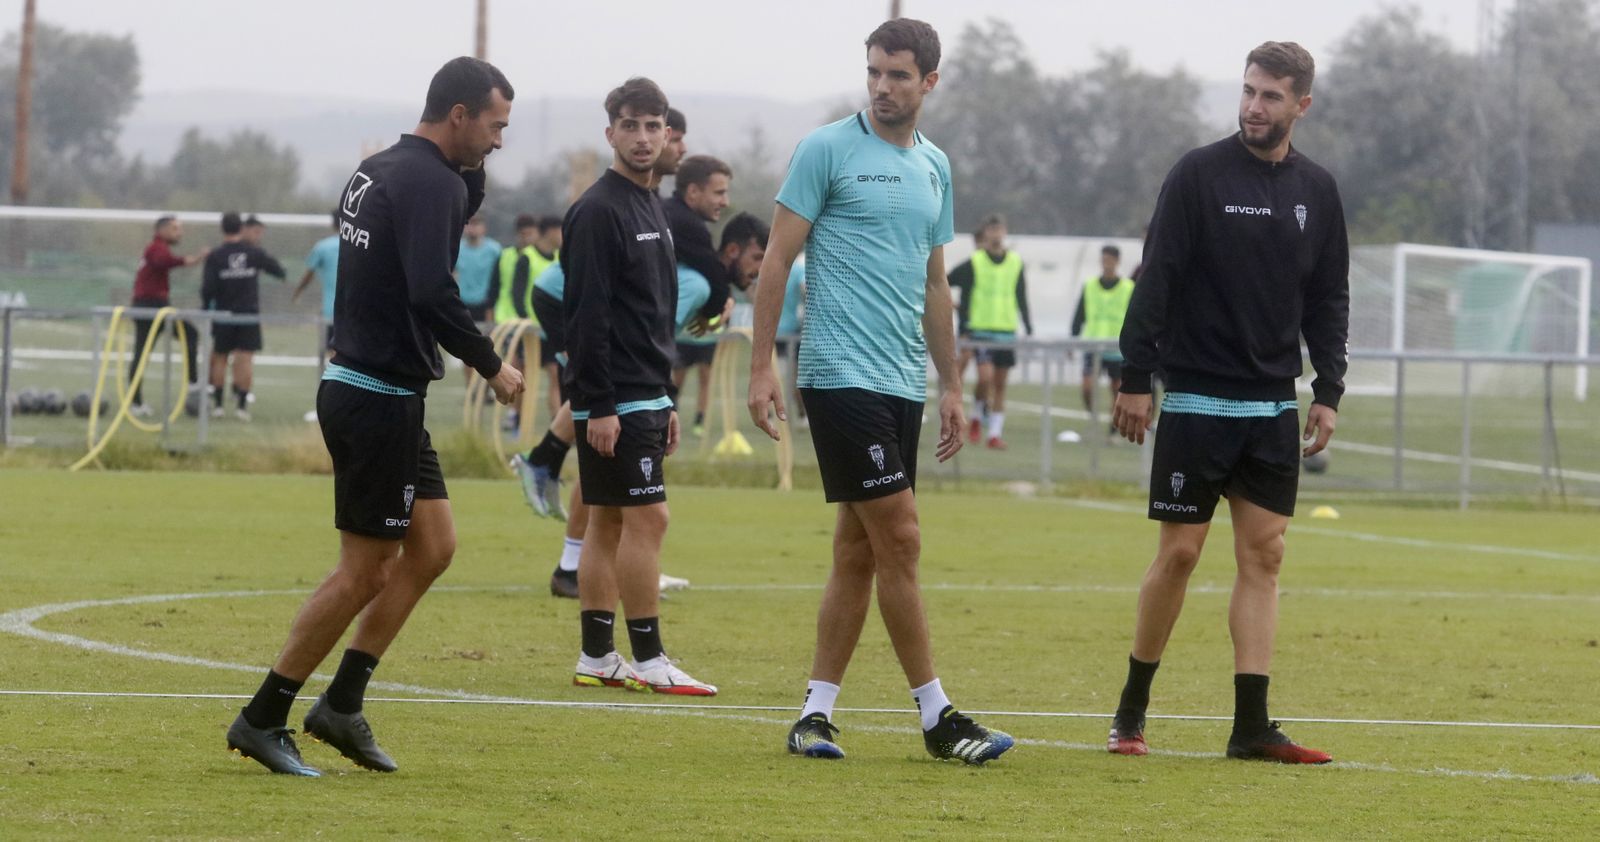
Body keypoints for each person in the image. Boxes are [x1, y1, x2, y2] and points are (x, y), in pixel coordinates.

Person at [225, 56, 524, 777]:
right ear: (458, 115)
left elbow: (450, 212)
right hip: (375, 396)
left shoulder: (385, 167)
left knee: (433, 547)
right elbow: (429, 290)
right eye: (494, 126)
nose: (500, 142)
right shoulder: (425, 181)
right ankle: (264, 716)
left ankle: (342, 705)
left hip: (383, 392)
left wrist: (470, 170)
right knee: (364, 571)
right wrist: (491, 363)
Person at [747, 19, 1013, 765]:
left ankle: (814, 715)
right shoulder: (826, 149)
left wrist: (953, 384)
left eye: (899, 75)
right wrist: (761, 366)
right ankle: (938, 716)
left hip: (903, 383)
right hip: (837, 376)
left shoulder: (935, 165)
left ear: (930, 82)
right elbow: (775, 261)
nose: (882, 87)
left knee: (858, 552)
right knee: (901, 535)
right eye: (874, 72)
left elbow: (935, 286)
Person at [1106, 41, 1348, 765]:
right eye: (1248, 91)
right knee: (1179, 554)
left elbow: (1329, 296)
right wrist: (1134, 376)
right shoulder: (1197, 174)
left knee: (1265, 557)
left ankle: (1251, 727)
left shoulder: (1319, 191)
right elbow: (1158, 278)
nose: (1253, 106)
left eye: (1271, 96)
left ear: (1301, 105)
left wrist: (1327, 389)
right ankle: (1130, 711)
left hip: (1271, 406)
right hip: (1198, 399)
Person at [561, 76, 716, 696]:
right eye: (632, 126)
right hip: (615, 400)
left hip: (647, 393)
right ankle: (651, 660)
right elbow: (587, 315)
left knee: (606, 524)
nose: (645, 138)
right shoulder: (597, 210)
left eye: (655, 127)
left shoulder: (652, 202)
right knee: (649, 520)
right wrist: (598, 405)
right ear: (611, 133)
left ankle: (598, 656)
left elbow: (653, 311)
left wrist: (668, 397)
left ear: (667, 134)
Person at [949, 214, 1031, 449]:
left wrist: (1028, 324)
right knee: (984, 378)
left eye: (999, 229)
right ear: (985, 234)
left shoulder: (1015, 261)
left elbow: (1021, 294)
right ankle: (976, 415)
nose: (996, 234)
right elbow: (944, 281)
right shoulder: (974, 262)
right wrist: (957, 309)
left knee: (1000, 385)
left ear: (1005, 232)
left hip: (1006, 331)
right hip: (980, 331)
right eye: (991, 230)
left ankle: (993, 434)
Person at [667, 154, 734, 436]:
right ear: (693, 192)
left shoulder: (667, 212)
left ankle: (545, 458)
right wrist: (716, 311)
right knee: (698, 284)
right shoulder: (687, 224)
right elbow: (715, 280)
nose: (725, 201)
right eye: (719, 192)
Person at [201, 211, 286, 421]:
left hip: (223, 314)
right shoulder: (253, 253)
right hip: (248, 313)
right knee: (246, 358)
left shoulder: (215, 255)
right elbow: (279, 271)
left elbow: (207, 289)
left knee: (220, 357)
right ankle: (241, 408)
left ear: (222, 229)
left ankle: (218, 407)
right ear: (241, 229)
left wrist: (206, 306)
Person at [128, 215, 206, 416]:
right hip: (148, 306)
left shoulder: (159, 248)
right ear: (161, 230)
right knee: (142, 352)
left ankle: (192, 383)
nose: (179, 232)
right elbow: (164, 261)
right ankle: (135, 402)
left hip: (159, 305)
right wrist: (192, 259)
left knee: (190, 335)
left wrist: (193, 260)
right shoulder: (156, 248)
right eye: (174, 228)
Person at [1072, 244, 1134, 431]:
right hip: (1093, 346)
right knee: (1087, 387)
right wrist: (1072, 338)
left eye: (1110, 260)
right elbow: (1079, 315)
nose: (1106, 264)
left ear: (1117, 261)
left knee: (1116, 389)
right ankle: (1093, 417)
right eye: (1103, 259)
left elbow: (1134, 318)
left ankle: (1113, 427)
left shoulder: (1128, 287)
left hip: (1116, 349)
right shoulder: (1090, 286)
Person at [291, 210, 341, 422]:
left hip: (331, 313)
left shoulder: (324, 247)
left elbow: (308, 273)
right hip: (356, 313)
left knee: (331, 359)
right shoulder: (363, 243)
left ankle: (328, 405)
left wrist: (297, 293)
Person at [454, 214, 501, 323]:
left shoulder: (494, 250)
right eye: (469, 224)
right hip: (462, 304)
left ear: (484, 228)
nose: (472, 228)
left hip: (486, 305)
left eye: (476, 224)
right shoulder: (456, 249)